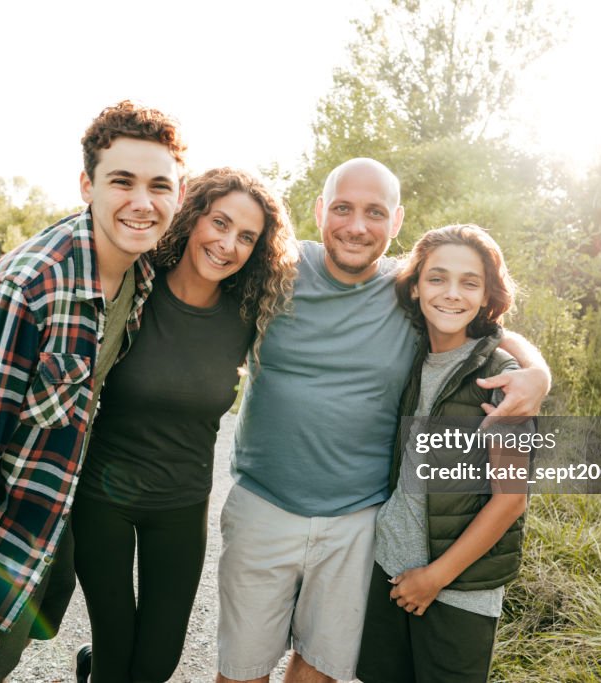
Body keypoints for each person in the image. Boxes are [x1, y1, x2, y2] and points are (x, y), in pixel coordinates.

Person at [217, 158, 550, 683]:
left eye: (374, 212)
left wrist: (537, 372)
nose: (356, 226)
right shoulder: (276, 270)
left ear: (395, 223)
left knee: (321, 667)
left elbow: (482, 324)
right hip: (264, 504)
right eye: (343, 209)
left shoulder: (406, 286)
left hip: (357, 520)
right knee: (241, 668)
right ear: (320, 210)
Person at [0, 101, 187, 682]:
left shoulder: (141, 271)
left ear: (178, 196)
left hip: (42, 525)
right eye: (121, 181)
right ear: (87, 185)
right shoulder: (27, 287)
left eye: (160, 186)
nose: (142, 201)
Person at [71, 168, 297, 682]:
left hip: (181, 500)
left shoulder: (248, 314)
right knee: (116, 651)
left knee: (156, 664)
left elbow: (379, 284)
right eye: (219, 223)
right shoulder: (133, 286)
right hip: (102, 497)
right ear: (191, 216)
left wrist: (523, 361)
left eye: (246, 237)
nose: (227, 244)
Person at [356, 224, 530, 683]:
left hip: (459, 589)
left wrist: (435, 577)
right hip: (387, 567)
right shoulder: (409, 354)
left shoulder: (503, 376)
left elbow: (511, 499)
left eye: (469, 282)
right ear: (415, 287)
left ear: (486, 294)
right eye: (437, 278)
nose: (451, 294)